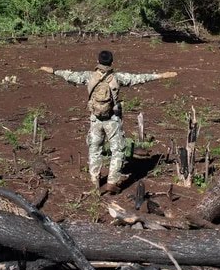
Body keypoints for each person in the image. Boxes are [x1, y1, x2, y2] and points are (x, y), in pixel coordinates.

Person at [40, 50, 177, 194]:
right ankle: (112, 181)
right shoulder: (117, 78)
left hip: (95, 119)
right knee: (117, 150)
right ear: (111, 62)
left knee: (95, 149)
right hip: (112, 120)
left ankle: (94, 181)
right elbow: (139, 78)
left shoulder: (89, 76)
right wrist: (161, 76)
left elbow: (71, 75)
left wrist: (53, 71)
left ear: (98, 61)